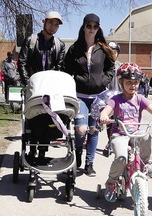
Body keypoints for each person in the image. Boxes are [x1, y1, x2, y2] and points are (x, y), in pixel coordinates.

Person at [99, 62, 152, 202]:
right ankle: (112, 182)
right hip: (119, 134)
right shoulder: (116, 99)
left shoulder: (140, 98)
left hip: (135, 132)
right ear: (121, 83)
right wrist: (104, 116)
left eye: (136, 82)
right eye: (129, 82)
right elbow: (107, 110)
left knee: (146, 135)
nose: (133, 85)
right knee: (121, 157)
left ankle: (146, 163)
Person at [64, 13, 115, 176]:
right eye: (89, 26)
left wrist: (103, 81)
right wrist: (71, 83)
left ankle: (89, 163)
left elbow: (111, 69)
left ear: (98, 28)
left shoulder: (103, 48)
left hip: (98, 97)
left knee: (93, 129)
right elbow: (66, 71)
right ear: (84, 27)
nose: (92, 29)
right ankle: (78, 152)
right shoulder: (75, 48)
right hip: (79, 95)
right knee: (81, 129)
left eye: (95, 26)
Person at [17, 11, 66, 160]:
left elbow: (59, 66)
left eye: (56, 25)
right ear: (43, 22)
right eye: (51, 23)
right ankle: (32, 150)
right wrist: (27, 83)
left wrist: (54, 84)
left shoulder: (59, 45)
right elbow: (22, 62)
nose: (53, 27)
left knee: (49, 118)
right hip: (34, 87)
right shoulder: (31, 41)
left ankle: (43, 151)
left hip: (50, 88)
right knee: (34, 116)